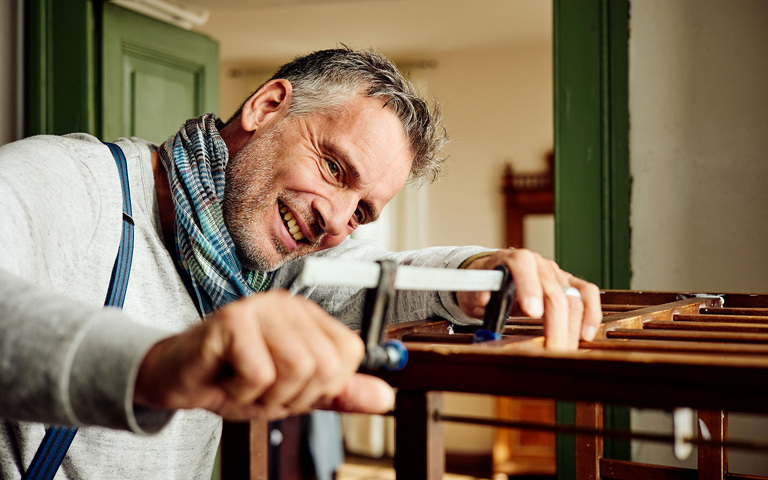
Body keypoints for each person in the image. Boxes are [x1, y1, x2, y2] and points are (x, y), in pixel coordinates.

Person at [0, 47, 601, 478]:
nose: (336, 221)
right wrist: (154, 365)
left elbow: (375, 276)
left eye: (363, 210)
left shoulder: (261, 263)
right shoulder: (72, 182)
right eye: (334, 169)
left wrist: (475, 272)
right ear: (266, 106)